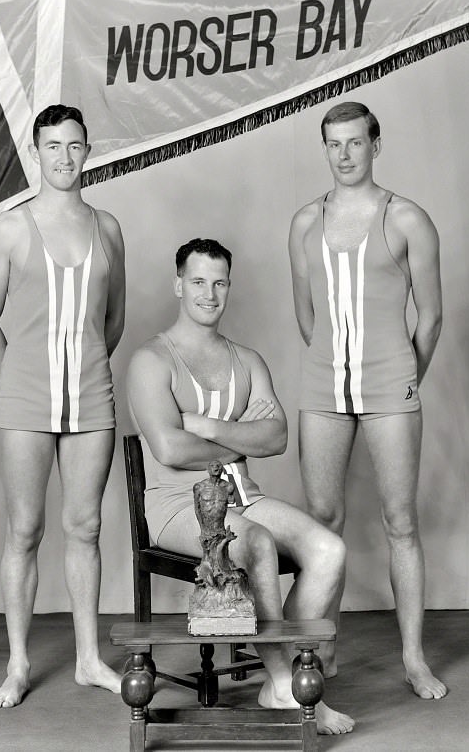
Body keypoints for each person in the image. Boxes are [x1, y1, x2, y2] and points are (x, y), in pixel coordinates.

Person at [126, 237, 355, 735]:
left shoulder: (247, 360)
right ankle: (282, 683)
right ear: (178, 285)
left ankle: (286, 665)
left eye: (220, 282)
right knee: (256, 542)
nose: (210, 293)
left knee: (329, 550)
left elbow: (275, 437)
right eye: (198, 282)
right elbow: (168, 449)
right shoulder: (151, 360)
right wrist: (238, 439)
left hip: (242, 496)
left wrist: (206, 428)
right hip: (175, 505)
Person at [288, 101, 445, 698]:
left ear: (376, 145)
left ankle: (413, 657)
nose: (345, 155)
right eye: (334, 144)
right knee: (323, 523)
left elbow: (430, 319)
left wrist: (403, 376)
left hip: (390, 385)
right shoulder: (305, 222)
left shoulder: (407, 218)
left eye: (356, 143)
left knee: (401, 522)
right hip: (324, 385)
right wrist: (338, 364)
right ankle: (322, 647)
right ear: (325, 149)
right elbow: (306, 316)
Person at [0, 104, 126, 706]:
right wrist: (20, 378)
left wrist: (83, 368)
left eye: (75, 145)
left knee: (84, 527)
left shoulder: (108, 228)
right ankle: (17, 665)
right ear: (36, 152)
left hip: (91, 398)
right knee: (26, 530)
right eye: (53, 146)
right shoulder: (9, 229)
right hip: (26, 399)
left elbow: (113, 322)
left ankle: (88, 659)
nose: (64, 156)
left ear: (88, 151)